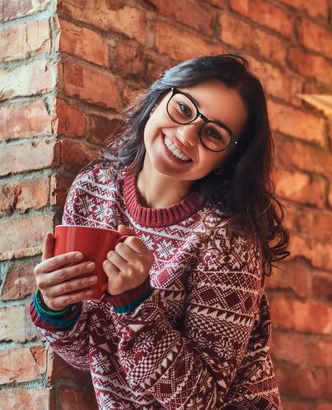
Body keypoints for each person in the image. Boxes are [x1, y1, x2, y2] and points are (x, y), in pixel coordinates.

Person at [29, 54, 289, 410]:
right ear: (158, 100)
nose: (186, 135)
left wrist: (135, 302)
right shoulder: (94, 189)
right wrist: (55, 307)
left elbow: (201, 400)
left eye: (213, 133)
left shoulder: (229, 238)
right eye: (183, 109)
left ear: (227, 159)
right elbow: (85, 352)